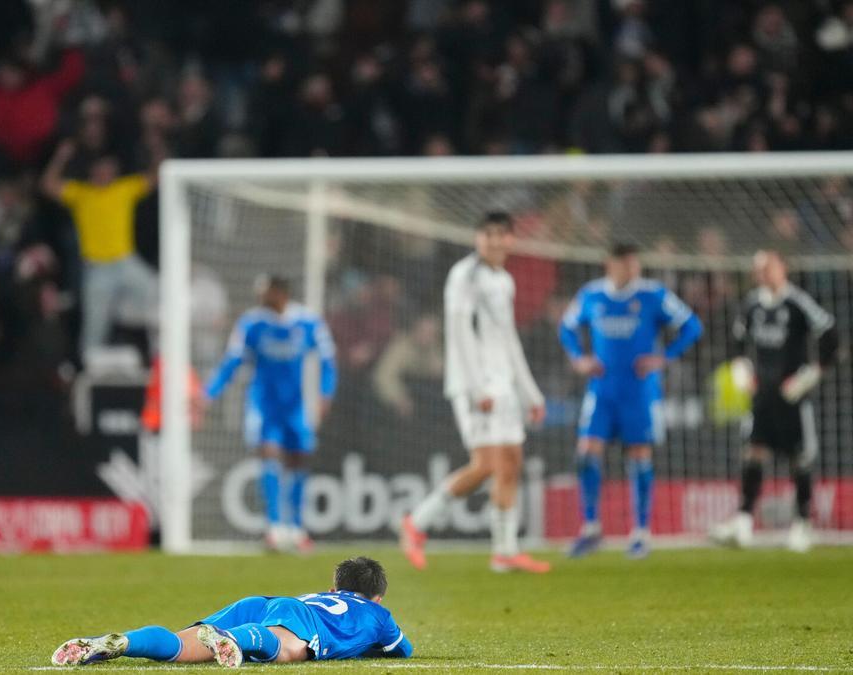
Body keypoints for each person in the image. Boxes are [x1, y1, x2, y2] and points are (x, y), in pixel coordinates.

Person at [400, 212, 551, 574]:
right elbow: (459, 331)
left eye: (501, 235)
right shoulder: (464, 275)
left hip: (503, 384)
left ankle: (505, 551)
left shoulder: (505, 280)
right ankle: (417, 524)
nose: (494, 241)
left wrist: (530, 393)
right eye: (487, 235)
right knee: (485, 465)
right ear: (477, 238)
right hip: (475, 385)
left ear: (511, 240)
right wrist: (476, 386)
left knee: (511, 461)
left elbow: (508, 338)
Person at [559, 243, 702, 559]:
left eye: (635, 262)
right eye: (626, 262)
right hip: (601, 391)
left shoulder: (653, 294)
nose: (633, 268)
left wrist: (665, 358)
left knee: (639, 457)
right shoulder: (591, 295)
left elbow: (692, 326)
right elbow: (566, 328)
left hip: (639, 392)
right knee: (585, 454)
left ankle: (640, 533)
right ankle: (592, 529)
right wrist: (579, 359)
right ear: (611, 264)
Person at [52, 556, 411, 667]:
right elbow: (403, 650)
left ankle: (122, 642)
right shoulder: (379, 615)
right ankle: (231, 640)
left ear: (334, 588)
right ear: (377, 597)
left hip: (270, 603)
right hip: (297, 619)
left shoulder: (320, 595)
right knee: (290, 650)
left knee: (179, 647)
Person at [710, 250, 837, 553]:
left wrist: (812, 373)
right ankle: (742, 523)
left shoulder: (797, 302)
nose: (763, 273)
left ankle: (802, 524)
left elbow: (830, 334)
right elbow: (736, 341)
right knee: (753, 452)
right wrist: (742, 368)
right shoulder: (752, 303)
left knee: (799, 458)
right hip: (763, 394)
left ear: (783, 268)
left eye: (768, 267)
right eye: (758, 269)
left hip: (792, 394)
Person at [204, 275, 337, 552]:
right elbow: (232, 362)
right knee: (269, 455)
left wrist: (325, 393)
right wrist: (208, 394)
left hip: (296, 407)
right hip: (264, 405)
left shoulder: (308, 322)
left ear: (281, 293)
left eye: (266, 292)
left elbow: (327, 360)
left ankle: (297, 528)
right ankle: (275, 528)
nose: (260, 297)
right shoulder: (251, 324)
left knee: (298, 462)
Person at [41, 140, 159, 356]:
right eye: (102, 167)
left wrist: (156, 146)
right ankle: (88, 378)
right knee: (94, 330)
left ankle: (162, 357)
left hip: (126, 262)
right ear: (93, 170)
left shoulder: (124, 188)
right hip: (98, 269)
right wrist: (61, 156)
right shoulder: (81, 193)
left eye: (110, 168)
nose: (106, 172)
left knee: (160, 294)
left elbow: (157, 175)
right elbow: (48, 185)